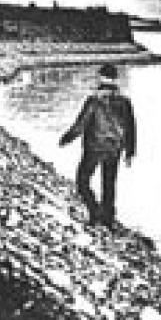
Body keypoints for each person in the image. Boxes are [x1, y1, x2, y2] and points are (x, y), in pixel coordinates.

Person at [58, 64, 136, 227]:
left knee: (82, 180)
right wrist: (130, 152)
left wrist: (67, 138)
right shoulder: (125, 101)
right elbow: (131, 127)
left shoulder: (94, 100)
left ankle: (94, 211)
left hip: (94, 146)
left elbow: (82, 124)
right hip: (114, 148)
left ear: (101, 78)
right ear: (116, 79)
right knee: (109, 184)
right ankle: (108, 219)